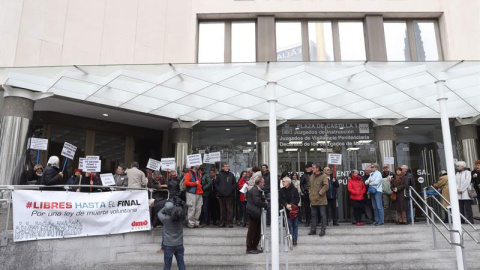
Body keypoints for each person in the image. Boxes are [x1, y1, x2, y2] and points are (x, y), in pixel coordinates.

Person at [158, 200, 187, 270]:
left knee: (167, 265)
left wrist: (165, 208)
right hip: (179, 244)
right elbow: (186, 220)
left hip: (168, 245)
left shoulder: (165, 219)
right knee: (181, 263)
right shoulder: (181, 218)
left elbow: (159, 213)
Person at [246, 177, 268, 254]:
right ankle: (250, 248)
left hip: (255, 212)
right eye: (263, 182)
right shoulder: (255, 190)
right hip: (253, 213)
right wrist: (265, 204)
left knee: (257, 231)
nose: (264, 183)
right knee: (252, 231)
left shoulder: (256, 190)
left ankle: (254, 247)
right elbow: (257, 201)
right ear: (260, 183)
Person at [309, 163, 329, 236]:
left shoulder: (323, 176)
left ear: (317, 168)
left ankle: (323, 230)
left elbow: (326, 186)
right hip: (313, 199)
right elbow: (310, 186)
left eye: (313, 168)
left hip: (321, 200)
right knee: (313, 215)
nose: (312, 169)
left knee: (322, 215)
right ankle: (313, 229)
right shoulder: (311, 176)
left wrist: (320, 193)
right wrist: (310, 193)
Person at [279, 177, 300, 246]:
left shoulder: (294, 189)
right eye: (282, 181)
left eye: (284, 181)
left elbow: (297, 198)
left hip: (294, 209)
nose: (283, 182)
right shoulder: (281, 190)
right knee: (289, 224)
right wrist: (286, 204)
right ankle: (289, 238)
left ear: (288, 182)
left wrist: (291, 205)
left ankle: (294, 239)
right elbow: (281, 199)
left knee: (295, 225)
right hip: (286, 209)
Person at [214, 164, 236, 228]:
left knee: (229, 209)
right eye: (225, 166)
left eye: (227, 166)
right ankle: (222, 222)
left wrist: (231, 189)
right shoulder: (219, 175)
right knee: (222, 210)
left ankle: (229, 222)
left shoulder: (231, 175)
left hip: (229, 195)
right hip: (221, 195)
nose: (226, 167)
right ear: (223, 167)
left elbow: (234, 183)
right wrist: (219, 190)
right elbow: (215, 183)